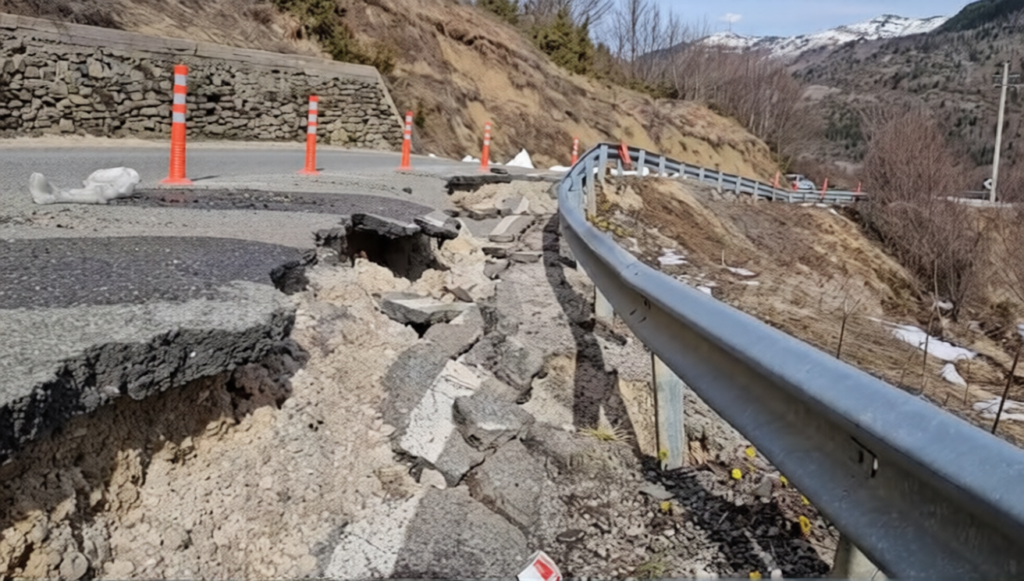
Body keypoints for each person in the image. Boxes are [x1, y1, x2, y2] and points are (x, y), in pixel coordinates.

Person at [29, 167, 141, 205]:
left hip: (123, 181)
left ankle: (57, 196)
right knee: (99, 189)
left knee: (103, 191)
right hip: (122, 178)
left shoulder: (127, 179)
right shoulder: (126, 174)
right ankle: (57, 195)